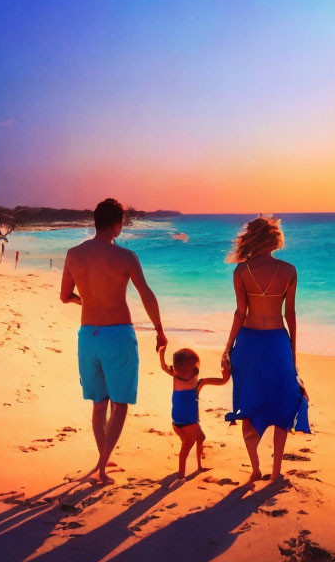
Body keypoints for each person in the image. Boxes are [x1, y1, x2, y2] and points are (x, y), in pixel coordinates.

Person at [60, 198, 168, 484]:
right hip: (118, 334)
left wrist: (85, 299)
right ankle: (104, 465)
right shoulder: (126, 257)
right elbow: (146, 294)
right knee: (119, 403)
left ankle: (103, 461)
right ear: (117, 223)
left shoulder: (73, 254)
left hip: (88, 336)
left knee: (99, 402)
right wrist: (159, 329)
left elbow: (64, 296)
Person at [222, 216, 310, 485]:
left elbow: (240, 313)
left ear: (252, 238)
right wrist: (293, 353)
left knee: (249, 402)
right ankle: (275, 471)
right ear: (274, 239)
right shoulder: (289, 270)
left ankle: (255, 468)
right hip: (276, 343)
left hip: (248, 343)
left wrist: (228, 348)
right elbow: (291, 315)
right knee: (282, 402)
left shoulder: (240, 272)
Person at [158, 346, 230, 481]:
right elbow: (223, 381)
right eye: (196, 368)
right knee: (186, 446)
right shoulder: (198, 384)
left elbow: (163, 366)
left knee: (200, 437)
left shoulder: (175, 376)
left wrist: (161, 353)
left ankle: (198, 467)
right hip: (189, 421)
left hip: (176, 421)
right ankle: (181, 475)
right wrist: (226, 369)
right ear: (195, 371)